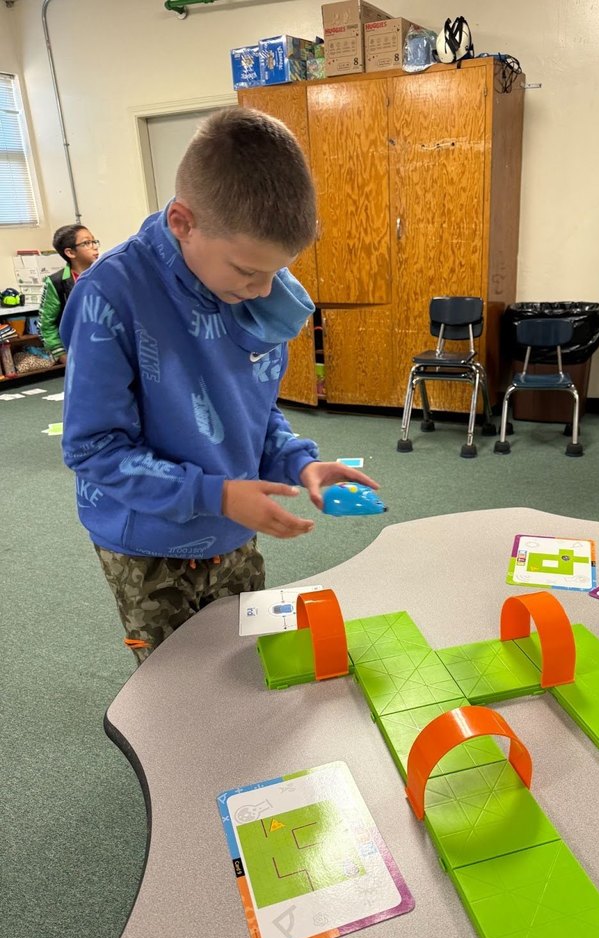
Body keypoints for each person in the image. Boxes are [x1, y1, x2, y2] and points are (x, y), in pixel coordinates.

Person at [60, 107, 377, 664]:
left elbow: (250, 410)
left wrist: (299, 463)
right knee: (172, 688)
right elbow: (94, 449)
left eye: (274, 273)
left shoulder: (254, 283)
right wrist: (221, 494)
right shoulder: (110, 295)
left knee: (247, 667)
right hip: (149, 546)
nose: (260, 290)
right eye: (247, 272)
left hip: (233, 529)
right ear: (182, 221)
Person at [39, 224, 100, 364]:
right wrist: (61, 354)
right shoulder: (56, 282)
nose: (95, 246)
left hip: (107, 347)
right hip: (78, 352)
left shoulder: (106, 273)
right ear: (70, 253)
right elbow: (46, 325)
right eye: (87, 243)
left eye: (94, 241)